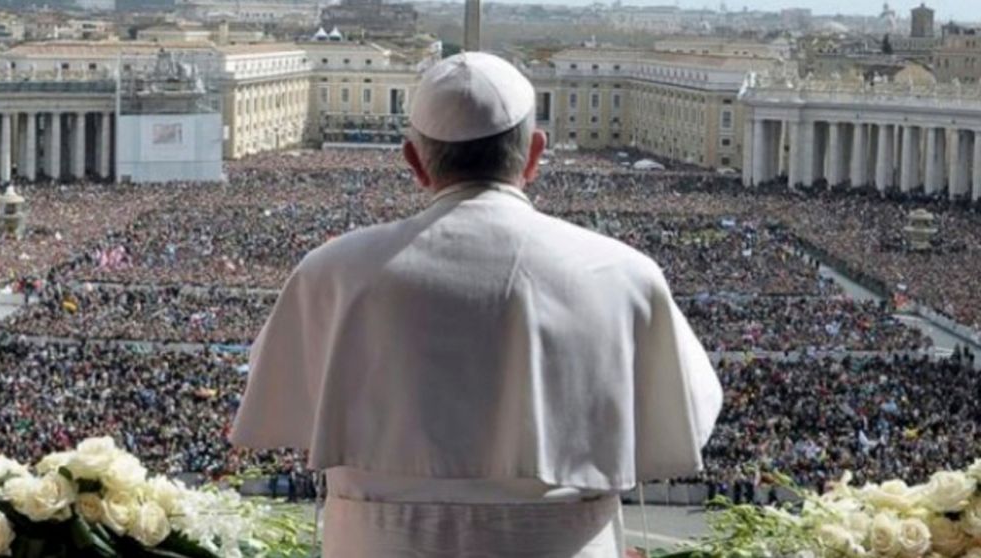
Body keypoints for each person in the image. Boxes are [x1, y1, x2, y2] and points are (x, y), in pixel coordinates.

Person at [230, 52, 723, 557]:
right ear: (535, 154)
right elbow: (690, 412)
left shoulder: (330, 273)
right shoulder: (626, 275)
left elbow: (278, 394)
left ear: (414, 162)